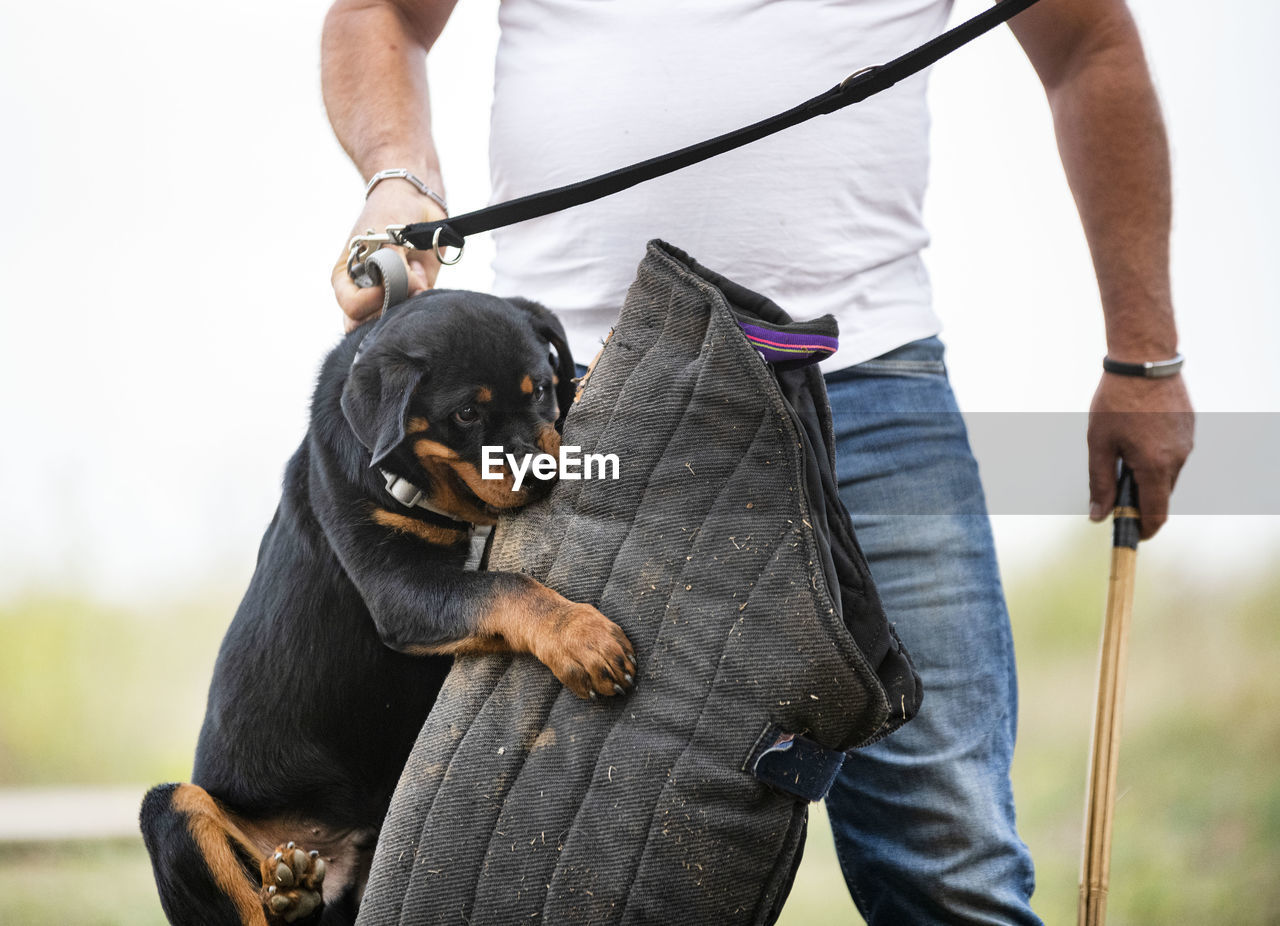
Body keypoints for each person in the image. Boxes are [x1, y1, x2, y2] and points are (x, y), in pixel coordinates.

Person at [320, 0, 1194, 921]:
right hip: (571, 418)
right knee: (554, 874)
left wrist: (1146, 357)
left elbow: (1088, 44)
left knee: (951, 865)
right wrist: (396, 175)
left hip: (866, 391)